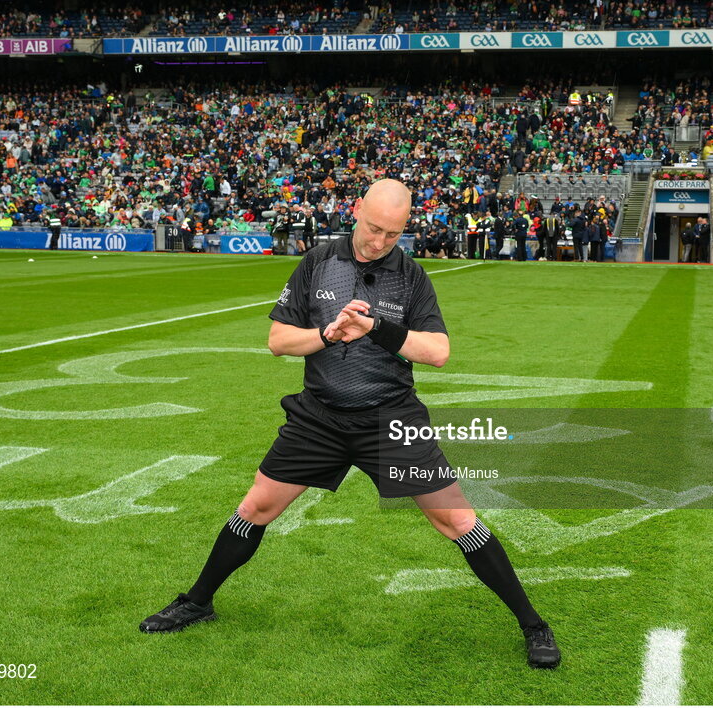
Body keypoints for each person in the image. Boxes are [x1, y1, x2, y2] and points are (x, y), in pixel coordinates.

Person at [138, 179, 561, 669]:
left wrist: (377, 329)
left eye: (393, 234)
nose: (380, 242)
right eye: (374, 228)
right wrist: (327, 332)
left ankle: (533, 623)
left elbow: (438, 353)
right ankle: (198, 601)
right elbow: (277, 340)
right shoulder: (318, 262)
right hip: (319, 417)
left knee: (456, 519)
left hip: (390, 418)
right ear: (356, 211)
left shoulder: (410, 275)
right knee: (256, 506)